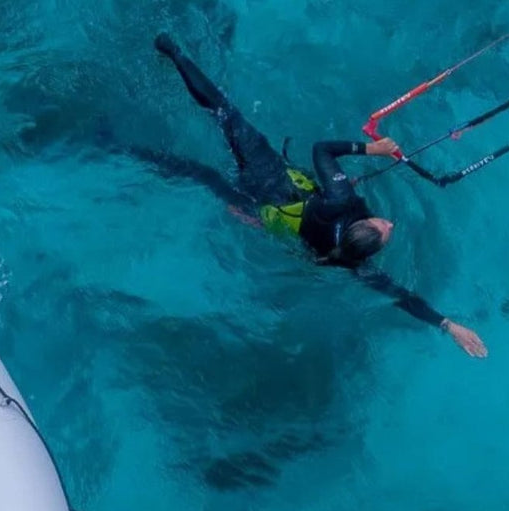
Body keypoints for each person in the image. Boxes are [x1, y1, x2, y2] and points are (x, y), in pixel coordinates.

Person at [152, 33, 488, 358]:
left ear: (364, 223)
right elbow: (400, 296)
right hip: (257, 207)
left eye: (382, 228)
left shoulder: (341, 200)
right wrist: (447, 325)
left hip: (266, 173)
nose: (389, 225)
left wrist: (373, 149)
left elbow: (322, 150)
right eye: (385, 228)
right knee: (204, 176)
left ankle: (175, 53)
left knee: (225, 113)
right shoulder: (350, 263)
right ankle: (141, 154)